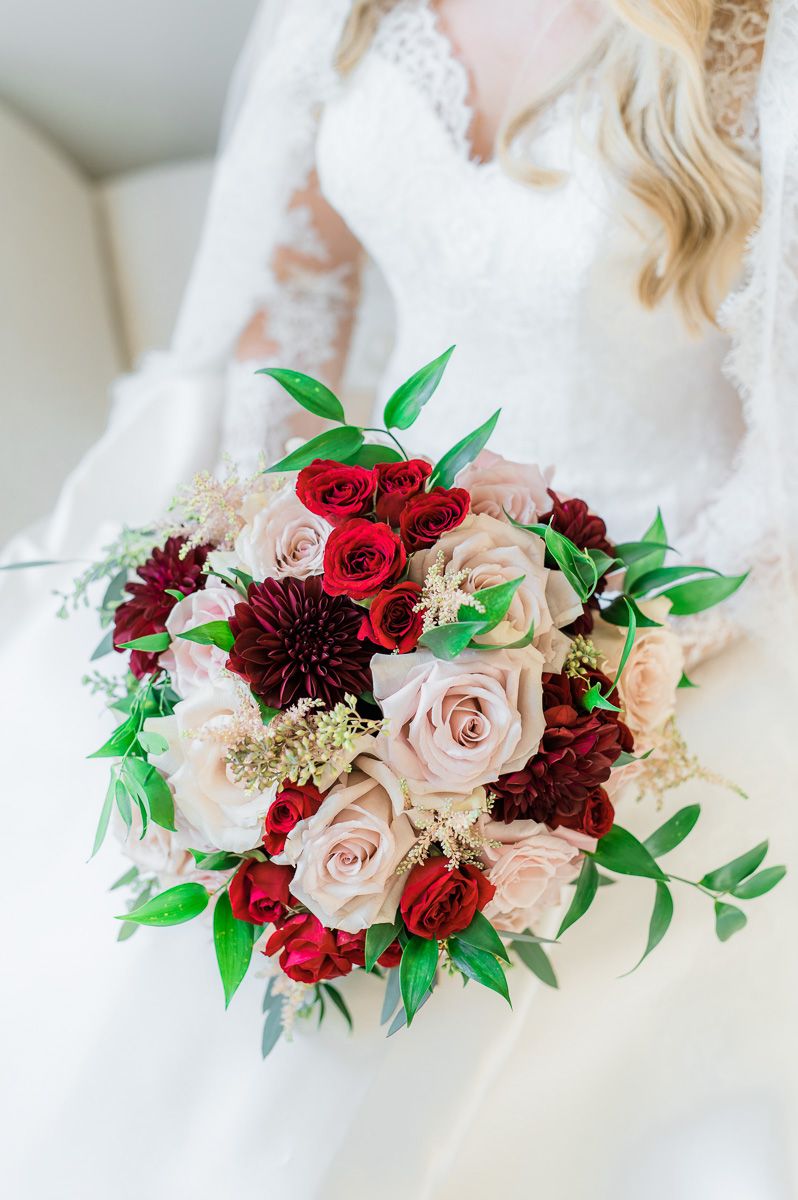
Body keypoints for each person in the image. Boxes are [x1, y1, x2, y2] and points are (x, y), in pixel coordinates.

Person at [1, 3, 796, 1197]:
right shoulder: (341, 11)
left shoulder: (753, 46)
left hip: (669, 584)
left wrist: (594, 678)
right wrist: (274, 565)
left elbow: (779, 467)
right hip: (383, 548)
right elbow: (294, 313)